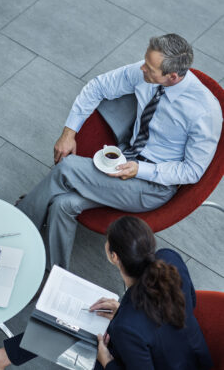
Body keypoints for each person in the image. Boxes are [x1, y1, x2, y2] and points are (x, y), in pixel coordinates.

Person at [16, 33, 222, 270]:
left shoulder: (205, 112)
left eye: (150, 68)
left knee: (66, 168)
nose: (142, 68)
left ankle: (17, 226)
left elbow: (192, 171)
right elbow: (98, 86)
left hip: (152, 186)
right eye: (145, 61)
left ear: (172, 76)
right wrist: (68, 133)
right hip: (125, 157)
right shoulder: (146, 72)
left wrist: (140, 170)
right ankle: (53, 277)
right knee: (64, 204)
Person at [0, 216, 213, 370]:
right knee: (77, 322)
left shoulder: (129, 327)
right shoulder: (170, 259)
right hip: (195, 356)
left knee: (71, 326)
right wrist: (124, 312)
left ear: (113, 256)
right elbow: (190, 302)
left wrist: (106, 359)